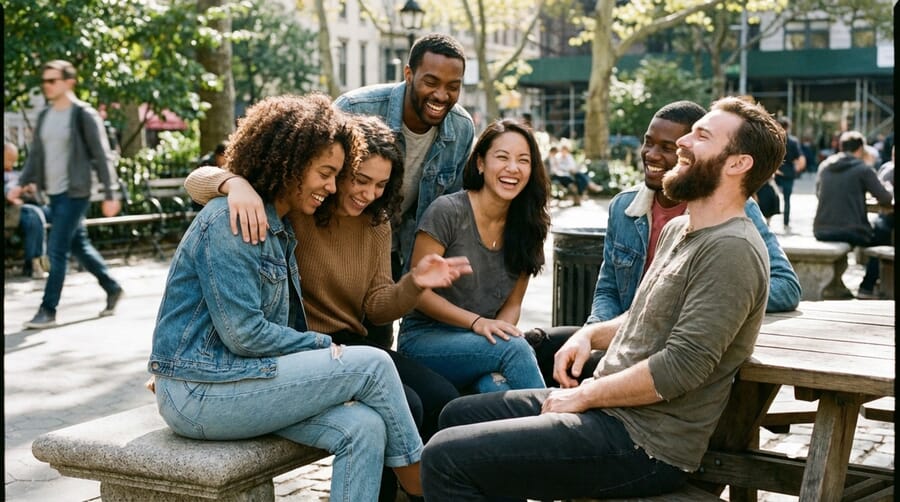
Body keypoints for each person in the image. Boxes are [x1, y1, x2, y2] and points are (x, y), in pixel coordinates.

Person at [420, 96, 787, 500]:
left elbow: (680, 367)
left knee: (445, 458)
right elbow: (641, 315)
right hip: (610, 412)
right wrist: (588, 336)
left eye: (701, 136)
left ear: (738, 163)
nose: (683, 142)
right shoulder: (680, 230)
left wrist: (582, 395)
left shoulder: (732, 249)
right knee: (456, 414)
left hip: (645, 443)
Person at [147, 94, 429, 502]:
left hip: (243, 381)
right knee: (372, 363)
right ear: (293, 163)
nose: (332, 187)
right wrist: (322, 347)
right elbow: (244, 334)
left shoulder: (280, 224)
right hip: (199, 391)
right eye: (326, 173)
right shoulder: (233, 219)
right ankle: (423, 483)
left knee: (365, 427)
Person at [526, 101, 801, 386]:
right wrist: (594, 334)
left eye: (668, 148)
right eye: (648, 143)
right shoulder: (625, 207)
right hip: (622, 337)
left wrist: (693, 307)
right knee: (532, 345)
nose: (652, 155)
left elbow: (786, 286)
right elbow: (608, 288)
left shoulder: (732, 215)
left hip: (666, 355)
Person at [398, 118, 549, 394]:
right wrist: (479, 325)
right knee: (514, 349)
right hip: (425, 339)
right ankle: (559, 426)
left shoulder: (530, 225)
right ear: (480, 163)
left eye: (523, 160)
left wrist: (496, 335)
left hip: (482, 341)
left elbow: (513, 304)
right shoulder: (447, 212)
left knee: (494, 388)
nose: (512, 168)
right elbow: (417, 293)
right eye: (501, 157)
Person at [334, 33, 475, 281]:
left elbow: (451, 208)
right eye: (431, 82)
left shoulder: (462, 129)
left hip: (395, 255)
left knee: (380, 318)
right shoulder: (353, 110)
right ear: (408, 75)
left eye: (453, 87)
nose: (441, 95)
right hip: (336, 246)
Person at [8, 60, 123, 329]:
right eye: (44, 81)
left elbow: (102, 156)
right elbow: (36, 156)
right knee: (78, 245)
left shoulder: (83, 114)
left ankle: (48, 309)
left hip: (76, 192)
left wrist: (111, 192)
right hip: (54, 193)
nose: (46, 85)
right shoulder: (46, 116)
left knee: (56, 249)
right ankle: (112, 287)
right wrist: (21, 183)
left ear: (69, 82)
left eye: (52, 80)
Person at [813, 131, 893, 299]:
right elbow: (885, 198)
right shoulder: (863, 168)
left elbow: (819, 194)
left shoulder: (825, 166)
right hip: (852, 230)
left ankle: (837, 284)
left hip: (821, 228)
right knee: (883, 233)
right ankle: (867, 287)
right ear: (860, 148)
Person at [5, 142, 51, 279]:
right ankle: (33, 264)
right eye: (9, 160)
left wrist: (32, 189)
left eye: (14, 159)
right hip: (13, 210)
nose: (12, 163)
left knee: (62, 213)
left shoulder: (17, 173)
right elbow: (9, 194)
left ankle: (57, 261)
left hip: (32, 205)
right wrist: (13, 195)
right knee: (34, 216)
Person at [773, 116, 805, 231]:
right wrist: (797, 169)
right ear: (788, 127)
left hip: (774, 172)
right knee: (787, 199)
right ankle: (786, 222)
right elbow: (800, 159)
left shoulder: (773, 139)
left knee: (772, 196)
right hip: (788, 173)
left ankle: (768, 219)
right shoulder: (793, 141)